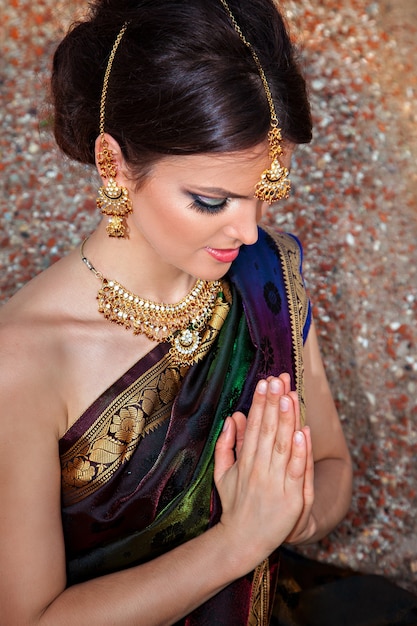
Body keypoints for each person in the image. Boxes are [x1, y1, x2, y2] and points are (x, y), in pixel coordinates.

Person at [0, 0, 352, 624]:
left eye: (266, 194)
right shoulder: (21, 363)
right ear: (114, 164)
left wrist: (294, 513)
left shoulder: (267, 274)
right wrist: (239, 542)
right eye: (211, 200)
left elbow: (331, 466)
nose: (248, 230)